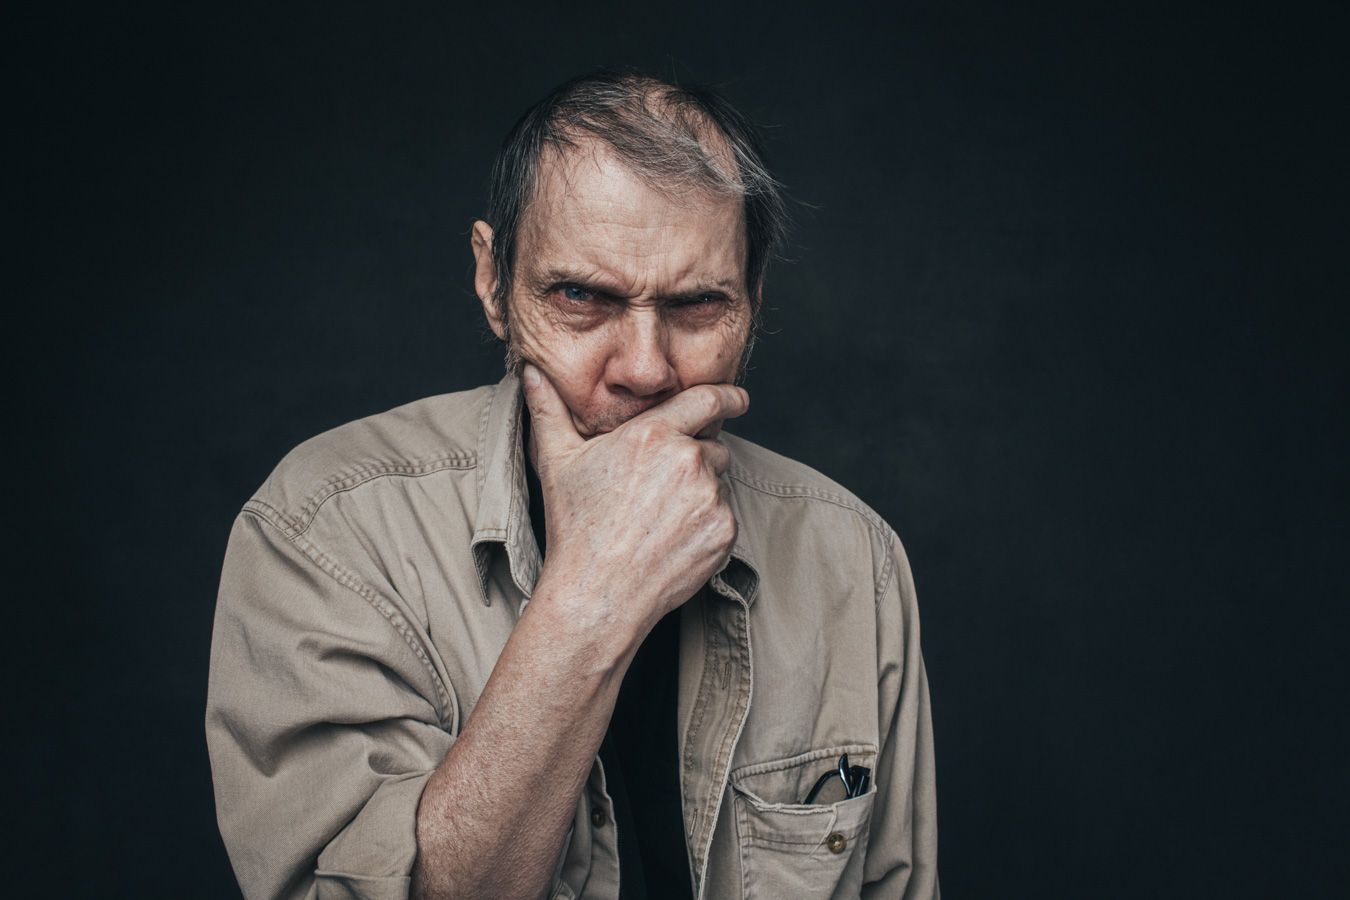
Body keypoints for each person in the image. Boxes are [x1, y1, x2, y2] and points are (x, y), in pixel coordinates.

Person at [206, 69, 939, 900]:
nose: (645, 369)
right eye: (581, 296)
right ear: (493, 282)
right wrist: (593, 595)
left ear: (755, 302)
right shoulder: (321, 531)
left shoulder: (853, 558)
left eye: (698, 306)